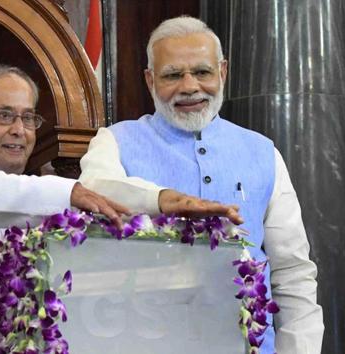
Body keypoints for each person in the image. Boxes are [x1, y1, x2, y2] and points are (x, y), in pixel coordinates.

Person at [0, 63, 242, 353]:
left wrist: (164, 213)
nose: (19, 129)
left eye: (28, 117)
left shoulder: (38, 189)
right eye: (4, 115)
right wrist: (70, 191)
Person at [79, 16, 324, 354]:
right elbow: (95, 189)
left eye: (203, 72)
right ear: (150, 80)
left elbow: (292, 271)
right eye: (173, 75)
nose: (190, 86)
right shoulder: (115, 141)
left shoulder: (263, 152)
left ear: (222, 72)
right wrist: (160, 199)